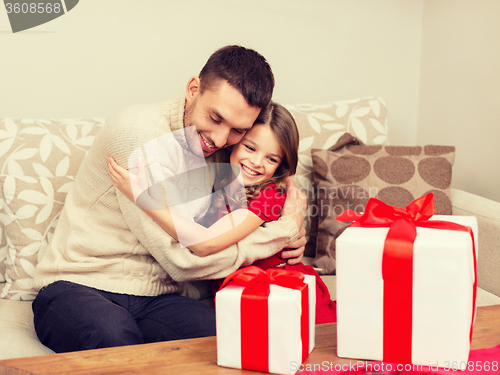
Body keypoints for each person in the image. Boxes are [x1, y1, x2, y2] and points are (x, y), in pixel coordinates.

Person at [32, 45, 307, 353]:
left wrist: (288, 224)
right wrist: (284, 232)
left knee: (233, 338)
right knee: (114, 340)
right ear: (193, 89)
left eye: (237, 131)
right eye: (216, 117)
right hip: (80, 284)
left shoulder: (222, 156)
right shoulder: (140, 137)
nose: (219, 139)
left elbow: (274, 171)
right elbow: (184, 260)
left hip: (156, 297)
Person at [107, 101, 299, 268]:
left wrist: (141, 198)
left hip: (268, 288)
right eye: (250, 147)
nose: (257, 162)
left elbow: (205, 244)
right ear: (235, 140)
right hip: (230, 291)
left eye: (271, 159)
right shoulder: (216, 175)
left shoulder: (269, 196)